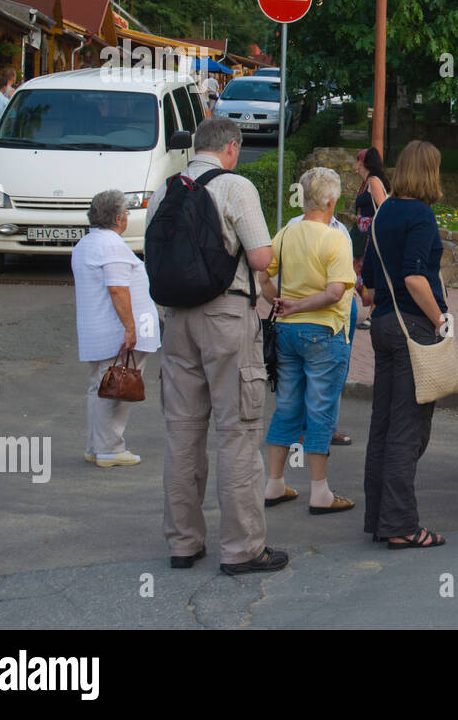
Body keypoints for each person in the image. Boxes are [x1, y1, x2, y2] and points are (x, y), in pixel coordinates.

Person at [145, 117, 286, 575]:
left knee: (182, 434)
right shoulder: (236, 187)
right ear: (230, 147)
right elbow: (262, 257)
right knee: (237, 433)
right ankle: (242, 548)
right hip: (226, 317)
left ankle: (184, 543)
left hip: (176, 321)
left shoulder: (166, 191)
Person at [361, 140, 449, 549]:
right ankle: (399, 524)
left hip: (382, 323)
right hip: (411, 326)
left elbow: (372, 282)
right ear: (429, 171)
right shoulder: (421, 215)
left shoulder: (384, 213)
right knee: (407, 429)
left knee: (384, 424)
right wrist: (441, 319)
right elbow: (415, 279)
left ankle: (379, 517)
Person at [258, 167, 357, 515]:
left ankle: (273, 483)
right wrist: (301, 304)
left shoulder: (286, 233)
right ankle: (319, 491)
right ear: (331, 200)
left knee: (286, 406)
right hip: (325, 331)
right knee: (321, 410)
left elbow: (263, 276)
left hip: (286, 332)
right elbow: (335, 293)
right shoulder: (335, 240)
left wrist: (280, 303)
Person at [72, 190, 160, 468]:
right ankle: (110, 448)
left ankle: (96, 446)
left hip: (97, 328)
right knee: (116, 389)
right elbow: (118, 289)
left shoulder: (87, 243)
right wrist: (130, 328)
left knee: (100, 386)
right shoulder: (111, 246)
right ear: (119, 217)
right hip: (116, 332)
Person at [287, 207, 356, 446]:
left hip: (342, 309)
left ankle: (327, 428)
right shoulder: (294, 227)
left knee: (336, 371)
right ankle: (307, 431)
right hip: (311, 310)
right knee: (308, 373)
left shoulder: (340, 229)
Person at [352, 147, 390, 331]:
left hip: (371, 233)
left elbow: (383, 207)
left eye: (357, 160)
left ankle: (373, 312)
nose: (355, 164)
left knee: (368, 271)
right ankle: (373, 306)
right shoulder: (365, 182)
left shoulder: (373, 182)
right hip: (362, 232)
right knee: (356, 269)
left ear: (363, 162)